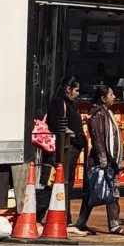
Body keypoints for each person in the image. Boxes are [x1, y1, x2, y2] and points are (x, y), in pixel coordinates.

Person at [75, 86, 124, 236]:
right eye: (111, 94)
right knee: (94, 191)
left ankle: (112, 224)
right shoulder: (98, 114)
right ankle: (82, 222)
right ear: (103, 98)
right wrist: (103, 160)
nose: (114, 97)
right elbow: (98, 138)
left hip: (110, 161)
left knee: (111, 192)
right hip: (101, 161)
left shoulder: (107, 113)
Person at [46, 75, 86, 230]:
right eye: (76, 90)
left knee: (67, 185)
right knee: (63, 185)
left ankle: (66, 220)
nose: (78, 93)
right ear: (68, 89)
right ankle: (64, 220)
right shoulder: (58, 102)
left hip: (71, 149)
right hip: (65, 150)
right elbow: (58, 124)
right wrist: (73, 134)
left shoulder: (68, 103)